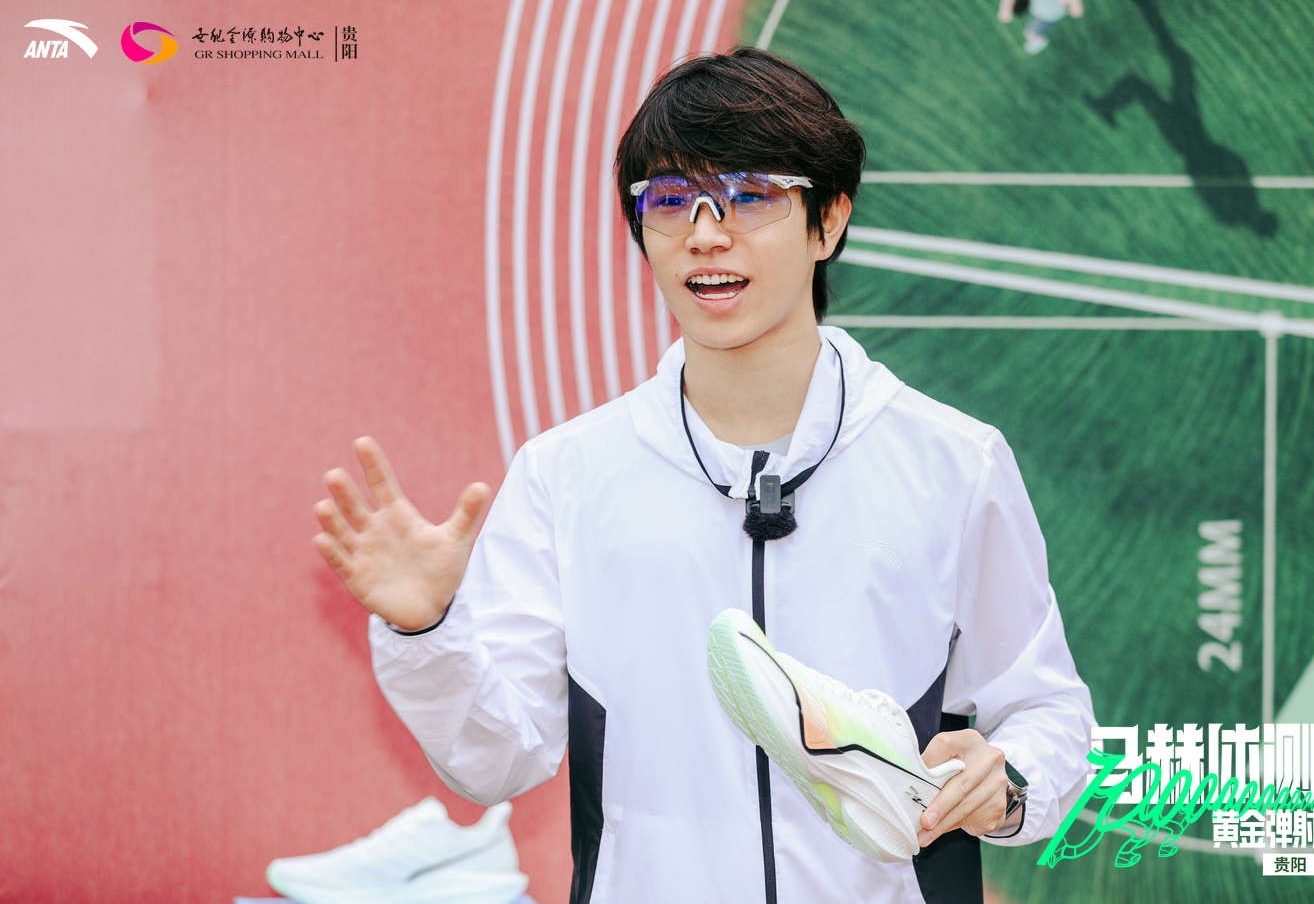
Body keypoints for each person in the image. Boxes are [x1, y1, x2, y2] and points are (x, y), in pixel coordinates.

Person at [313, 47, 1096, 904]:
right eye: (670, 199)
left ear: (829, 221)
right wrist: (427, 630)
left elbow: (1049, 711)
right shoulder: (567, 475)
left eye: (750, 194)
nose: (706, 232)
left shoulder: (952, 462)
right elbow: (494, 759)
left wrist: (1008, 779)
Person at [999, 0, 1084, 54]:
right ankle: (1038, 40)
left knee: (1029, 33)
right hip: (1047, 13)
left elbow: (1004, 16)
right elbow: (1004, 15)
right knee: (1029, 32)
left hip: (1048, 14)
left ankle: (1038, 40)